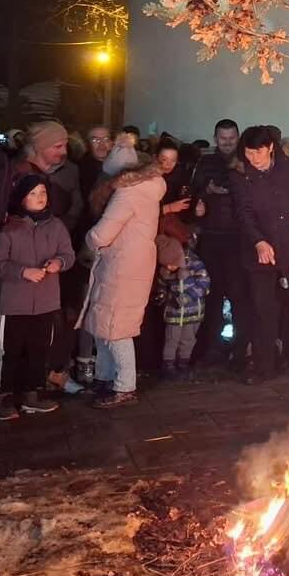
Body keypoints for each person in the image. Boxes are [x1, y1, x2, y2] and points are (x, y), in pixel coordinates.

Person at [231, 124, 289, 383]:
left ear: (270, 148)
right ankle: (264, 365)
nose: (253, 159)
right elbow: (243, 213)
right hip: (260, 249)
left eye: (258, 153)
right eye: (248, 153)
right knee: (263, 308)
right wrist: (259, 241)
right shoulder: (241, 173)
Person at [79, 139, 166, 408]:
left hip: (123, 263)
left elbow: (104, 233)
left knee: (117, 327)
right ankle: (106, 378)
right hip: (130, 261)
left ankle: (124, 386)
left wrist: (88, 240)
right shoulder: (146, 187)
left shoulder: (128, 193)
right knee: (108, 323)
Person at [0, 174, 74, 420]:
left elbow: (68, 254)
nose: (39, 198)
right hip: (14, 304)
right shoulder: (10, 228)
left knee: (39, 349)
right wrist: (23, 271)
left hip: (46, 302)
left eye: (43, 192)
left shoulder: (56, 226)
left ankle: (31, 395)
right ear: (21, 198)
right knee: (9, 351)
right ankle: (1, 396)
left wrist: (59, 262)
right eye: (33, 193)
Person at [189, 119, 248, 369]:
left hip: (237, 238)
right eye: (222, 138)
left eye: (231, 137)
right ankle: (211, 348)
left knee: (238, 295)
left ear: (238, 137)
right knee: (211, 296)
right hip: (211, 237)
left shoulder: (245, 162)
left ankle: (240, 349)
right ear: (215, 138)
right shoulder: (205, 163)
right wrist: (207, 192)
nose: (226, 142)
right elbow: (193, 194)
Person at [13, 121, 83, 236]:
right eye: (58, 146)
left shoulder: (71, 169)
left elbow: (77, 203)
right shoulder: (19, 171)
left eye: (65, 145)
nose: (64, 151)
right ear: (40, 147)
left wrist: (65, 226)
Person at [154, 234, 209, 378]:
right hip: (174, 313)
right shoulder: (166, 271)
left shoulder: (194, 263)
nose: (170, 267)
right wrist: (161, 295)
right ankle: (168, 364)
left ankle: (184, 362)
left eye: (172, 263)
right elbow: (162, 286)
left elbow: (204, 283)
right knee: (171, 339)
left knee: (188, 339)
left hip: (193, 311)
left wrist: (186, 298)